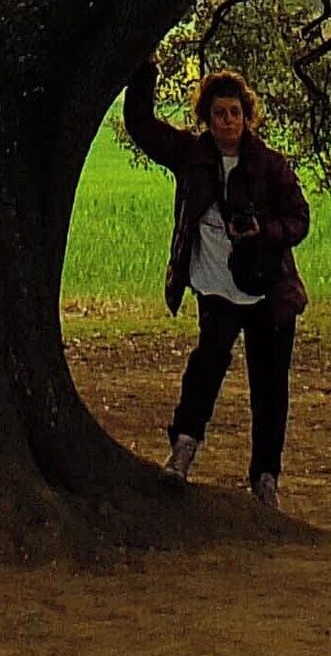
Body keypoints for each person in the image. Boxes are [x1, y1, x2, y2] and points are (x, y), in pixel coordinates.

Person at [122, 60, 311, 509]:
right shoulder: (192, 155)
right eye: (220, 113)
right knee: (207, 365)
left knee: (269, 386)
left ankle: (265, 478)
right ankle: (183, 448)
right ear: (207, 117)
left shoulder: (270, 166)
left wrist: (263, 232)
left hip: (267, 289)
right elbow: (143, 127)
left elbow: (299, 219)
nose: (228, 121)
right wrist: (141, 67)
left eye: (235, 113)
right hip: (214, 284)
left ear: (247, 117)